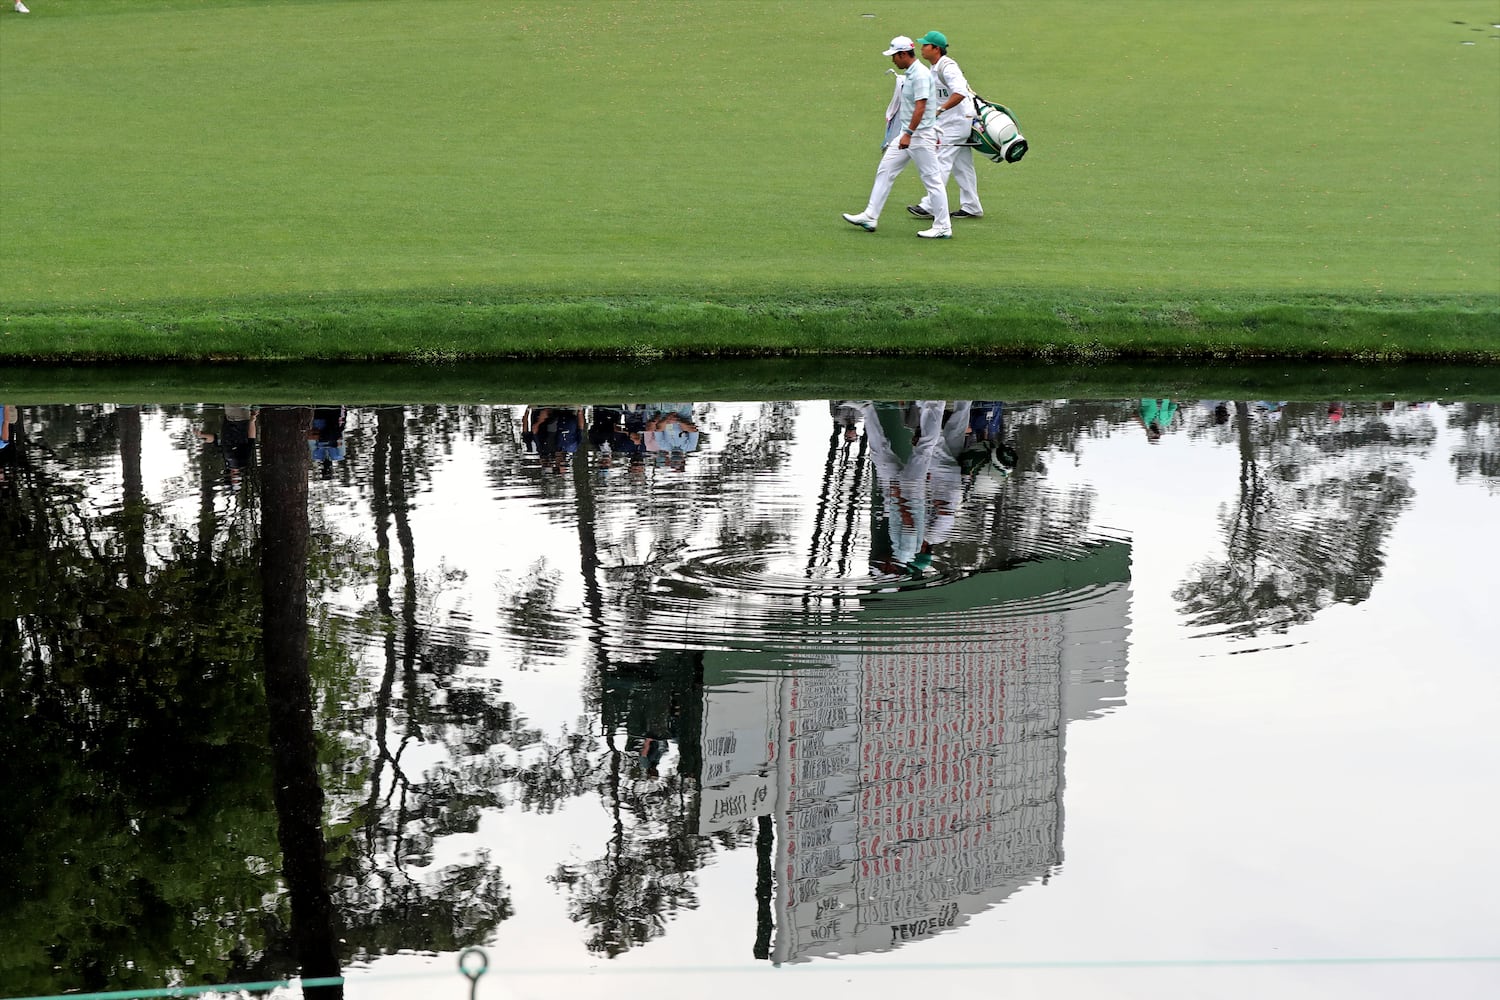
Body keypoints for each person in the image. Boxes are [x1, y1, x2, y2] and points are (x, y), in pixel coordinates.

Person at [842, 36, 952, 239]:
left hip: (919, 135)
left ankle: (943, 226)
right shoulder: (912, 73)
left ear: (903, 54)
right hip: (909, 133)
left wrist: (908, 134)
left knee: (932, 180)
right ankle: (870, 215)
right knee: (885, 170)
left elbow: (921, 107)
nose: (893, 60)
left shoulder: (918, 75)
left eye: (894, 56)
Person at [908, 31, 983, 221]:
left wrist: (939, 110)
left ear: (936, 49)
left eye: (925, 45)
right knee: (962, 165)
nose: (922, 48)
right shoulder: (934, 68)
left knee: (941, 160)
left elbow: (960, 92)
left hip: (957, 121)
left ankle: (930, 204)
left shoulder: (948, 67)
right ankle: (972, 206)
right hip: (955, 121)